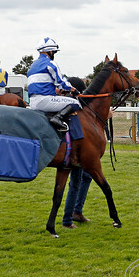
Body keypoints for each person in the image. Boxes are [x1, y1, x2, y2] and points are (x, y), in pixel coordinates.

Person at [26, 37, 80, 132]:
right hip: (45, 100)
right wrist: (73, 90)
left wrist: (59, 90)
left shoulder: (32, 66)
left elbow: (41, 85)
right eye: (54, 52)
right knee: (75, 103)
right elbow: (61, 82)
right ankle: (57, 118)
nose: (54, 54)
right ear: (50, 52)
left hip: (32, 102)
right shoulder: (50, 63)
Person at [61, 81, 95, 230]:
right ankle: (68, 218)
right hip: (75, 151)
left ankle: (76, 211)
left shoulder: (72, 106)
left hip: (75, 149)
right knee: (76, 181)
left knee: (85, 177)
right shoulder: (75, 107)